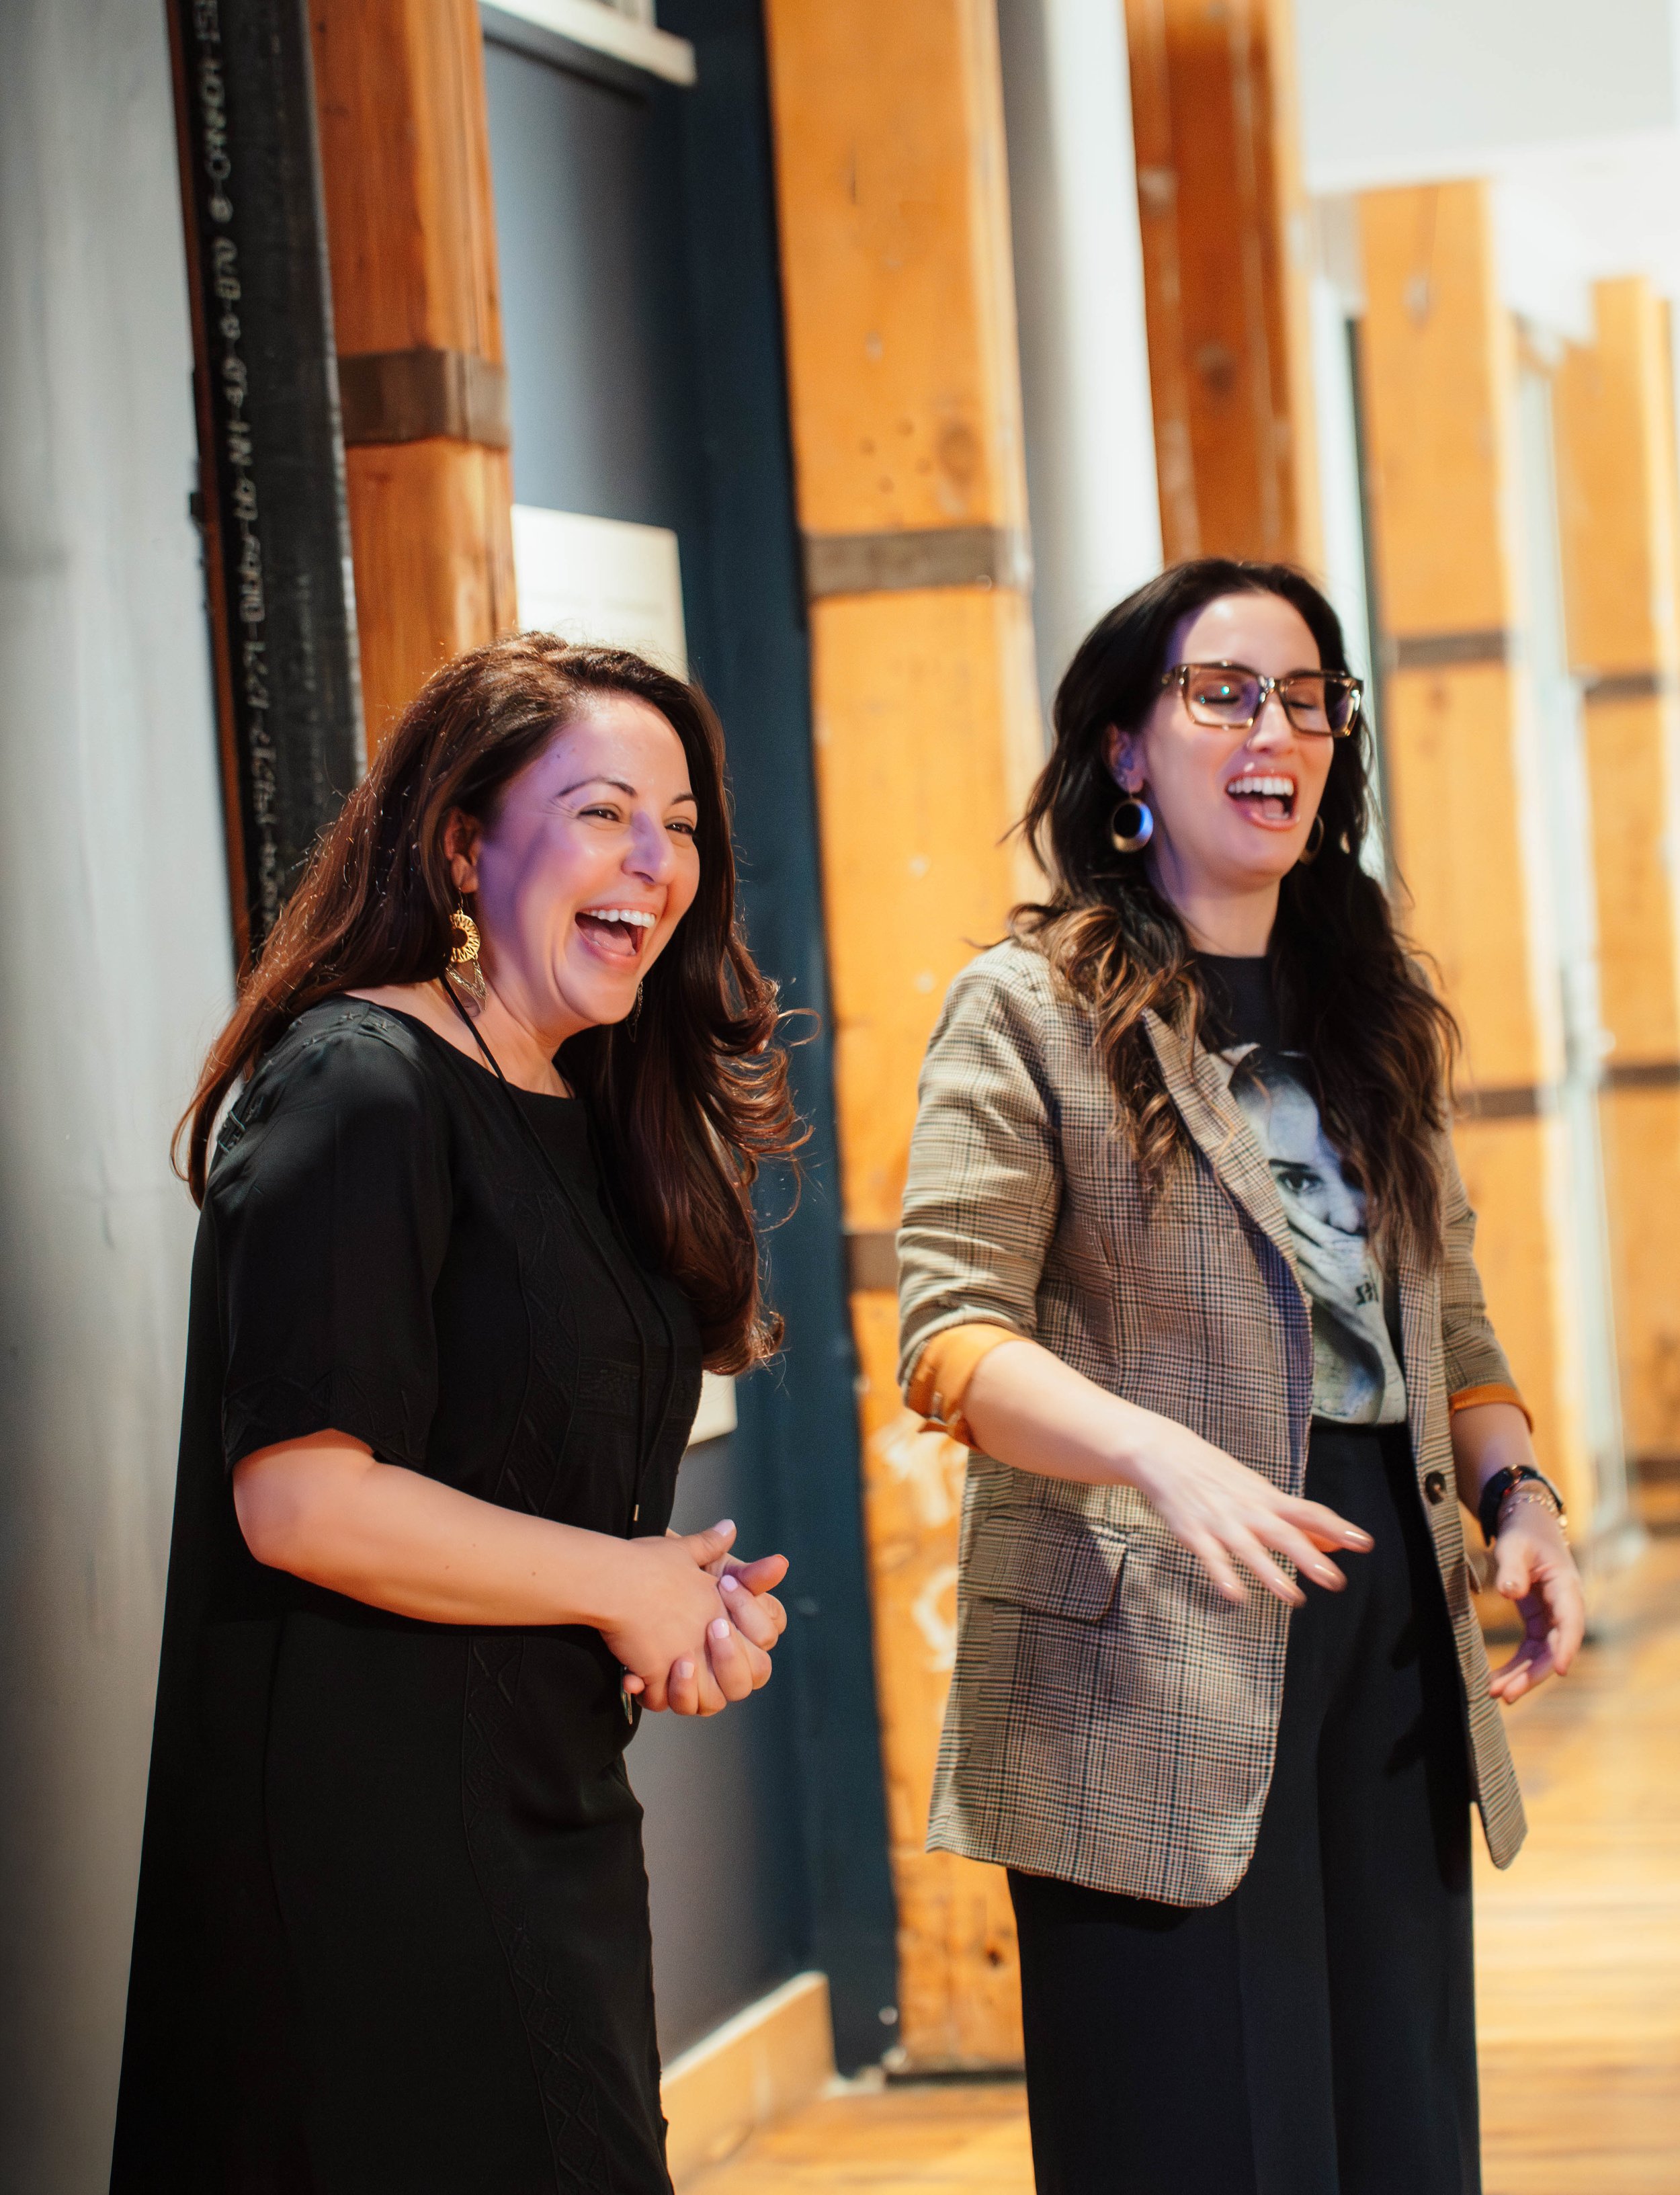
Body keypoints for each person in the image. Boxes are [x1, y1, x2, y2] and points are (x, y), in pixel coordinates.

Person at [897, 560, 1585, 2195]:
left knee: (1392, 2130)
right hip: (1146, 1630)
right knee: (1195, 2129)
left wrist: (1520, 1494)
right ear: (1125, 750)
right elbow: (948, 1336)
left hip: (1387, 1623)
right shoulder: (1028, 1008)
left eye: (1304, 697)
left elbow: (1450, 1329)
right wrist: (1157, 1457)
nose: (1272, 727)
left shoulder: (1371, 1018)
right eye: (1221, 692)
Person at [111, 635, 798, 2194]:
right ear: (462, 843)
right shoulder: (359, 1083)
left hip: (541, 1808)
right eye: (606, 811)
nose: (656, 860)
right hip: (375, 1860)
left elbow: (523, 1490)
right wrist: (617, 1581)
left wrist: (671, 1608)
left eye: (680, 822)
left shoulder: (587, 1100)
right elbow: (302, 1498)